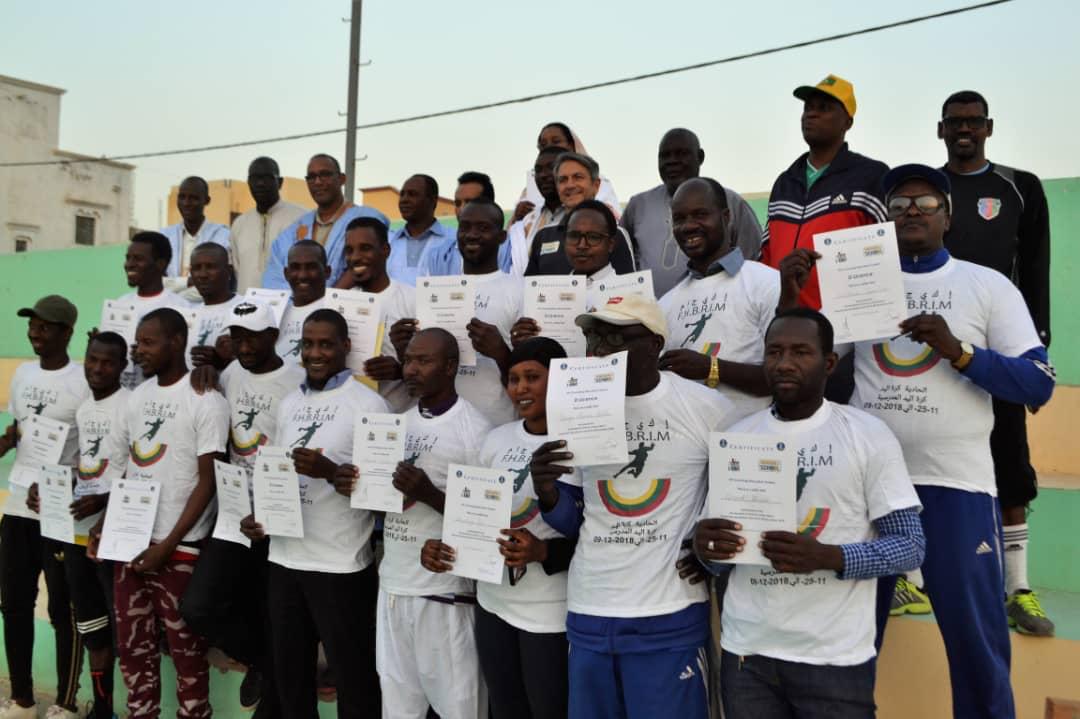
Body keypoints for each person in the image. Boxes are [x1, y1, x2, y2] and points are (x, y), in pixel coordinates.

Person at [779, 164, 1055, 719]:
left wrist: (960, 351)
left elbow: (1038, 384)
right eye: (900, 205)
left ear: (947, 216)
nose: (912, 213)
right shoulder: (857, 284)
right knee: (854, 642)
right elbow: (806, 364)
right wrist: (792, 292)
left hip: (955, 487)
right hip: (868, 491)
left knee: (976, 647)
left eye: (925, 204)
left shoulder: (986, 285)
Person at [694, 308, 924, 719]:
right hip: (748, 654)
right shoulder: (737, 439)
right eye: (774, 352)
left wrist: (830, 557)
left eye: (801, 352)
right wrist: (707, 549)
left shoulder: (867, 435)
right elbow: (722, 560)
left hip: (834, 659)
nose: (784, 363)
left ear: (829, 363)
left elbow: (910, 547)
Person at [530, 294, 735, 719]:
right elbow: (572, 518)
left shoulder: (707, 409)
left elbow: (736, 501)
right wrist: (548, 491)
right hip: (589, 610)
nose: (600, 348)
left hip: (668, 615)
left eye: (616, 336)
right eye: (593, 335)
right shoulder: (576, 407)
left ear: (654, 345)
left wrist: (708, 550)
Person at [937, 90, 1054, 636]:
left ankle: (1019, 589)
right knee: (926, 458)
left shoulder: (1019, 187)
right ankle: (914, 575)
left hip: (1000, 350)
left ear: (989, 127)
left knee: (1010, 462)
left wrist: (1036, 345)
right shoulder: (930, 191)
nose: (964, 130)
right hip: (934, 352)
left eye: (973, 122)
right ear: (940, 131)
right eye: (954, 123)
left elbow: (1035, 268)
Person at [238, 308, 389, 718]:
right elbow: (279, 478)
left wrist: (331, 472)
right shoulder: (289, 404)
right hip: (285, 558)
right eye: (308, 344)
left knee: (354, 679)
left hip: (339, 563)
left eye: (325, 344)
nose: (316, 352)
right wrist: (260, 517)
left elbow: (384, 495)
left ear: (345, 347)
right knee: (290, 679)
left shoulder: (369, 404)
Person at [422, 336, 575, 719]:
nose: (520, 388)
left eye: (532, 377)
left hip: (548, 612)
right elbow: (474, 515)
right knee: (505, 709)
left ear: (559, 379)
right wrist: (446, 548)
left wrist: (543, 552)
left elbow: (593, 534)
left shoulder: (580, 447)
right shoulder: (495, 441)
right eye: (513, 379)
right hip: (493, 605)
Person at [98, 306, 230, 719]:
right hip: (132, 545)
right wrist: (107, 527)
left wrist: (168, 545)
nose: (139, 351)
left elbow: (208, 483)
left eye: (148, 342)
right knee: (133, 654)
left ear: (177, 342)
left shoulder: (206, 400)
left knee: (188, 658)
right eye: (137, 342)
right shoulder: (137, 398)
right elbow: (128, 467)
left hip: (181, 550)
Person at [180, 301, 304, 718]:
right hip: (232, 513)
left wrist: (274, 510)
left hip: (278, 519)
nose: (244, 345)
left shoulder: (297, 380)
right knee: (198, 607)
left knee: (272, 613)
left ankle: (272, 678)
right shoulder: (227, 375)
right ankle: (262, 662)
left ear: (273, 336)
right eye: (237, 336)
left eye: (252, 336)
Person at [363, 327, 492, 719]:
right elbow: (378, 500)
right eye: (408, 360)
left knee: (459, 709)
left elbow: (486, 524)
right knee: (399, 709)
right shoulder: (395, 425)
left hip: (444, 594)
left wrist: (430, 494)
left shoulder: (475, 431)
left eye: (424, 361)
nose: (412, 369)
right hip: (393, 585)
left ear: (450, 366)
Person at [27, 331, 130, 719]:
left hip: (115, 535)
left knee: (122, 630)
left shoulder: (130, 406)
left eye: (108, 362)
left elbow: (144, 471)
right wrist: (54, 484)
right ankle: (102, 709)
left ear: (123, 367)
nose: (98, 369)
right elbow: (89, 467)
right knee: (91, 626)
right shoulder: (86, 408)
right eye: (93, 360)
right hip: (77, 531)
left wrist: (105, 501)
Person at [0, 296, 89, 719]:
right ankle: (22, 699)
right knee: (14, 602)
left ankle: (67, 703)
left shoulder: (83, 381)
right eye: (32, 324)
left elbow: (95, 451)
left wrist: (65, 482)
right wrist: (5, 442)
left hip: (59, 511)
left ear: (67, 332)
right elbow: (20, 427)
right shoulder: (22, 374)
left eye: (45, 326)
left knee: (63, 610)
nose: (35, 332)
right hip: (18, 505)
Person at [760, 74, 888, 310]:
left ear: (848, 122)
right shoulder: (784, 182)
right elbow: (767, 257)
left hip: (847, 324)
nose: (811, 114)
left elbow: (888, 254)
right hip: (783, 320)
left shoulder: (871, 176)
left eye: (824, 108)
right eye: (808, 108)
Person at [656, 178, 777, 422]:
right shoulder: (666, 304)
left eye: (700, 214)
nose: (688, 226)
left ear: (726, 217)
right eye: (679, 219)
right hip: (689, 448)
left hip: (752, 445)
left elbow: (784, 379)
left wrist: (711, 368)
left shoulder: (767, 282)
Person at [393, 199, 520, 426]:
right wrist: (402, 347)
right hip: (439, 426)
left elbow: (528, 373)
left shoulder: (517, 289)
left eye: (483, 228)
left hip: (495, 420)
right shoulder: (435, 290)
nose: (472, 234)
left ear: (502, 237)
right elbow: (418, 370)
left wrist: (500, 352)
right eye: (465, 227)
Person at [621, 128, 763, 297]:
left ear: (700, 157)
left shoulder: (729, 201)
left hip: (717, 307)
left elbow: (750, 260)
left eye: (681, 153)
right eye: (665, 156)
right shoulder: (638, 205)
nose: (672, 161)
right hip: (649, 317)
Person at [261, 154, 389, 289]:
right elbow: (274, 277)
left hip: (349, 304)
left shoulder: (366, 218)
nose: (317, 182)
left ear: (341, 179)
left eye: (325, 175)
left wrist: (328, 301)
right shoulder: (295, 229)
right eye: (311, 177)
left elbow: (364, 263)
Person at [510, 200, 626, 347]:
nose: (582, 245)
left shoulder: (631, 294)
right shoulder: (543, 296)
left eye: (593, 237)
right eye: (574, 236)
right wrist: (522, 342)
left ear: (610, 244)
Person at [334, 216, 416, 412]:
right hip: (348, 417)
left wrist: (400, 370)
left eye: (365, 248)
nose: (355, 257)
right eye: (349, 250)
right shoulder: (340, 305)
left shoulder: (413, 299)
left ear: (385, 251)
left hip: (400, 419)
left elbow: (433, 368)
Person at [524, 152, 636, 276]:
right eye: (563, 180)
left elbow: (627, 288)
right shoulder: (543, 236)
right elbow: (529, 288)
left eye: (578, 177)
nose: (570, 185)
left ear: (596, 185)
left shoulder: (614, 233)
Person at [116, 231, 191, 388]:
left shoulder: (181, 308)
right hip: (123, 397)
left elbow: (185, 360)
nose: (129, 264)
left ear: (160, 264)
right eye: (128, 258)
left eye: (138, 259)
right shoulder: (119, 304)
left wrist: (148, 355)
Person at [229, 156, 308, 293]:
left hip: (287, 305)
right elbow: (237, 270)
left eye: (267, 177)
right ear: (248, 183)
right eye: (254, 178)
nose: (260, 183)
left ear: (280, 182)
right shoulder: (239, 224)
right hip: (246, 306)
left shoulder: (300, 218)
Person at [516, 122, 620, 219]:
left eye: (556, 141)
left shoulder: (599, 181)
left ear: (571, 145)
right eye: (543, 145)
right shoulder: (531, 188)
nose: (549, 147)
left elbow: (610, 217)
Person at [424, 171, 513, 275]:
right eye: (457, 203)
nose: (462, 208)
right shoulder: (438, 255)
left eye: (469, 202)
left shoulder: (510, 250)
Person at [160, 176, 231, 285]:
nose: (186, 203)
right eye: (182, 197)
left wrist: (173, 285)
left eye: (193, 198)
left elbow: (216, 283)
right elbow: (157, 282)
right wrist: (188, 282)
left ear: (207, 201)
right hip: (169, 302)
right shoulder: (164, 236)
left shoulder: (223, 235)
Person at [388, 174, 457, 286]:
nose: (404, 200)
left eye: (412, 194)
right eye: (402, 194)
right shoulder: (388, 241)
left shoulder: (453, 241)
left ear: (432, 200)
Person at [506, 146, 564, 277]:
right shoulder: (527, 220)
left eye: (551, 167)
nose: (543, 175)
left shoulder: (582, 217)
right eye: (538, 170)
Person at [187, 242, 244, 369]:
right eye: (197, 268)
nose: (203, 275)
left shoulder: (247, 309)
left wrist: (225, 362)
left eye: (210, 267)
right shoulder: (187, 315)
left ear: (229, 271)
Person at [275, 240, 331, 366]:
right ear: (286, 273)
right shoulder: (276, 312)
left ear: (327, 272)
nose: (302, 275)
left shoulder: (337, 310)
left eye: (311, 267)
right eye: (295, 268)